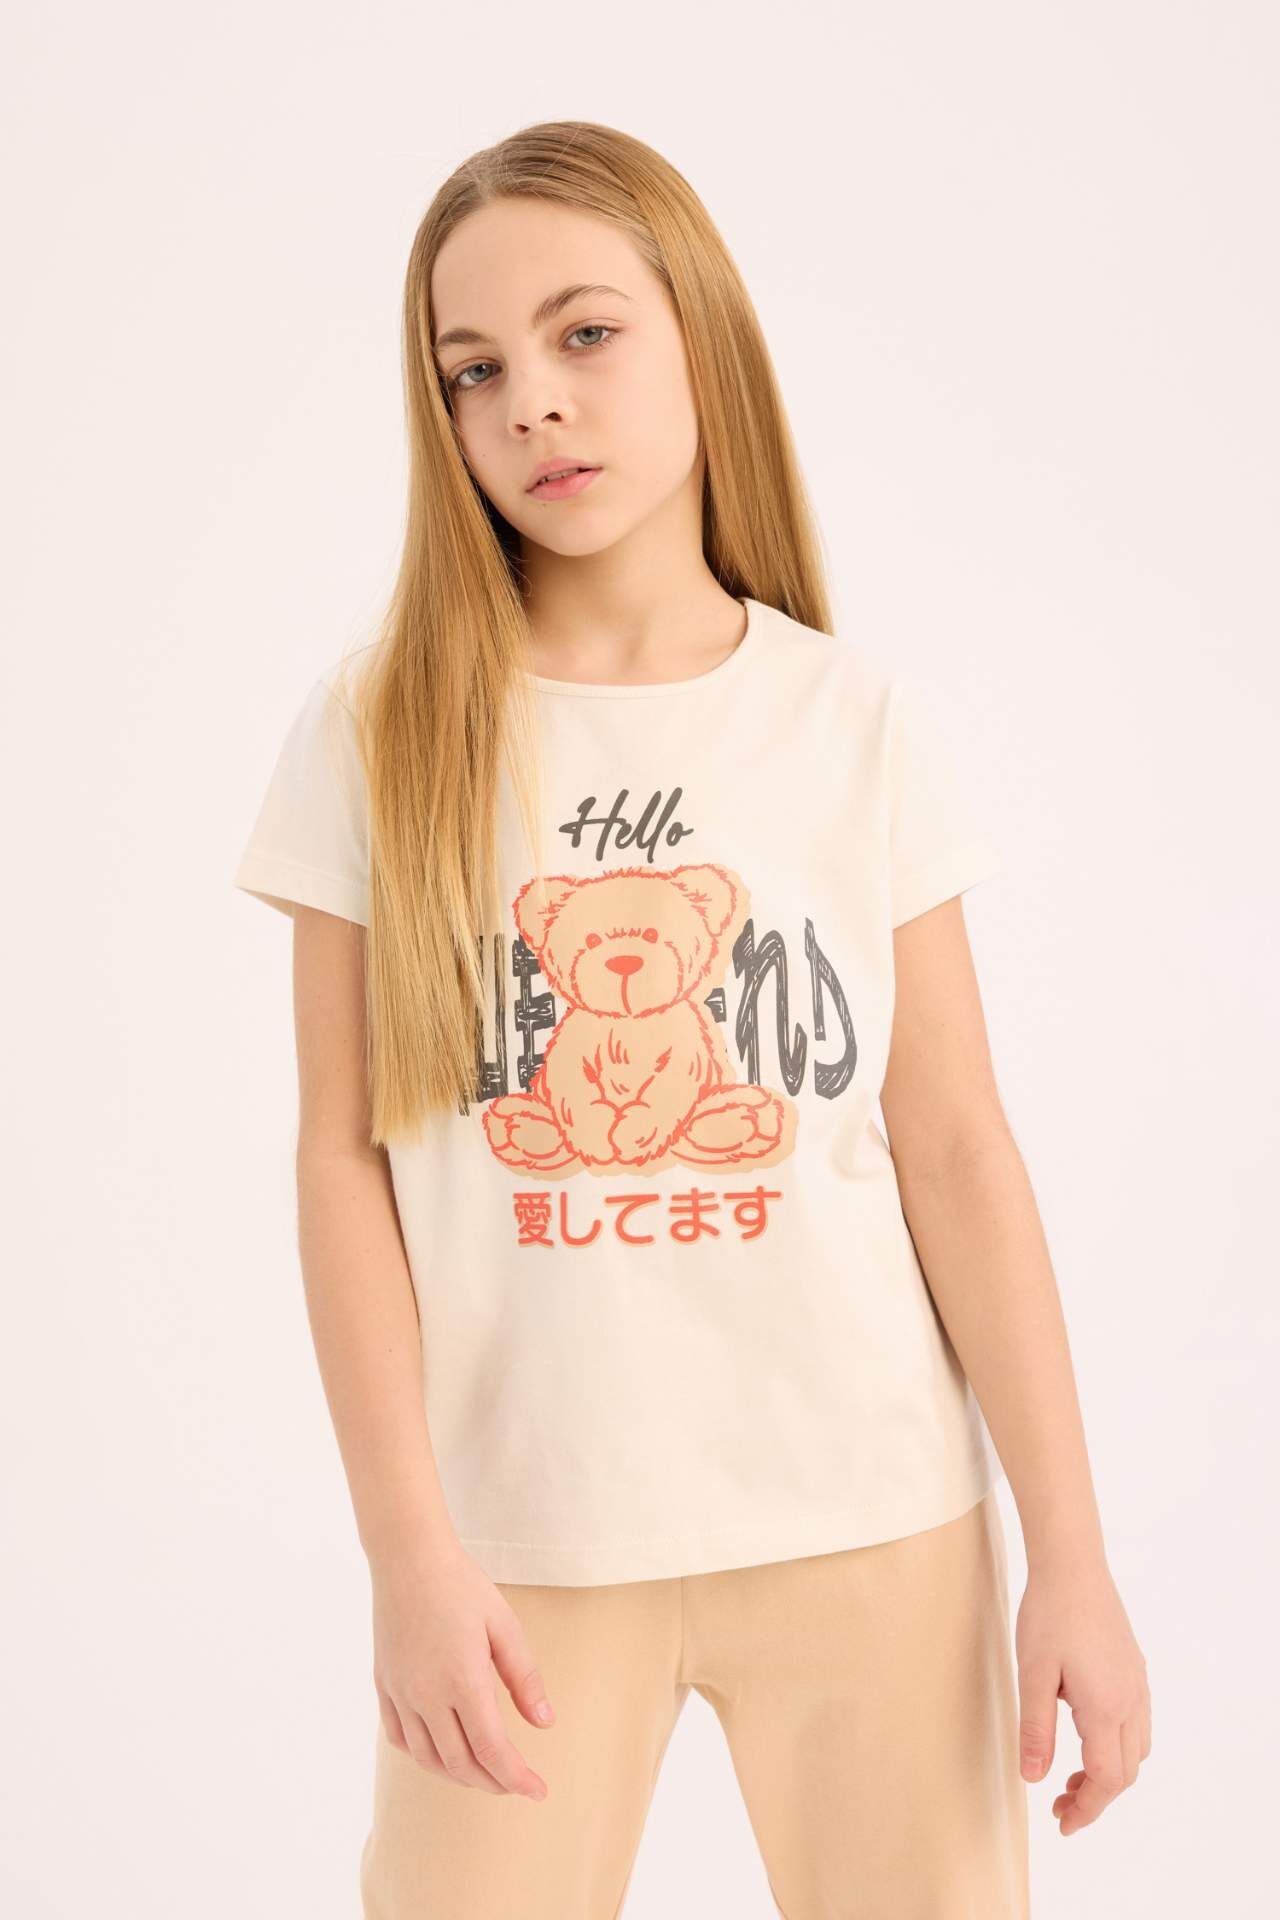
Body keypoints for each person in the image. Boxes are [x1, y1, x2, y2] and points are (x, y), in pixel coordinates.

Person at [232, 119, 1151, 1919]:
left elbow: (957, 1146)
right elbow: (342, 1160)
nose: (531, 403)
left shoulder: (851, 722)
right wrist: (406, 1555)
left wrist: (1077, 1558)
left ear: (701, 337)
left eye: (585, 334)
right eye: (473, 370)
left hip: (873, 1518)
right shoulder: (382, 729)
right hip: (522, 1549)